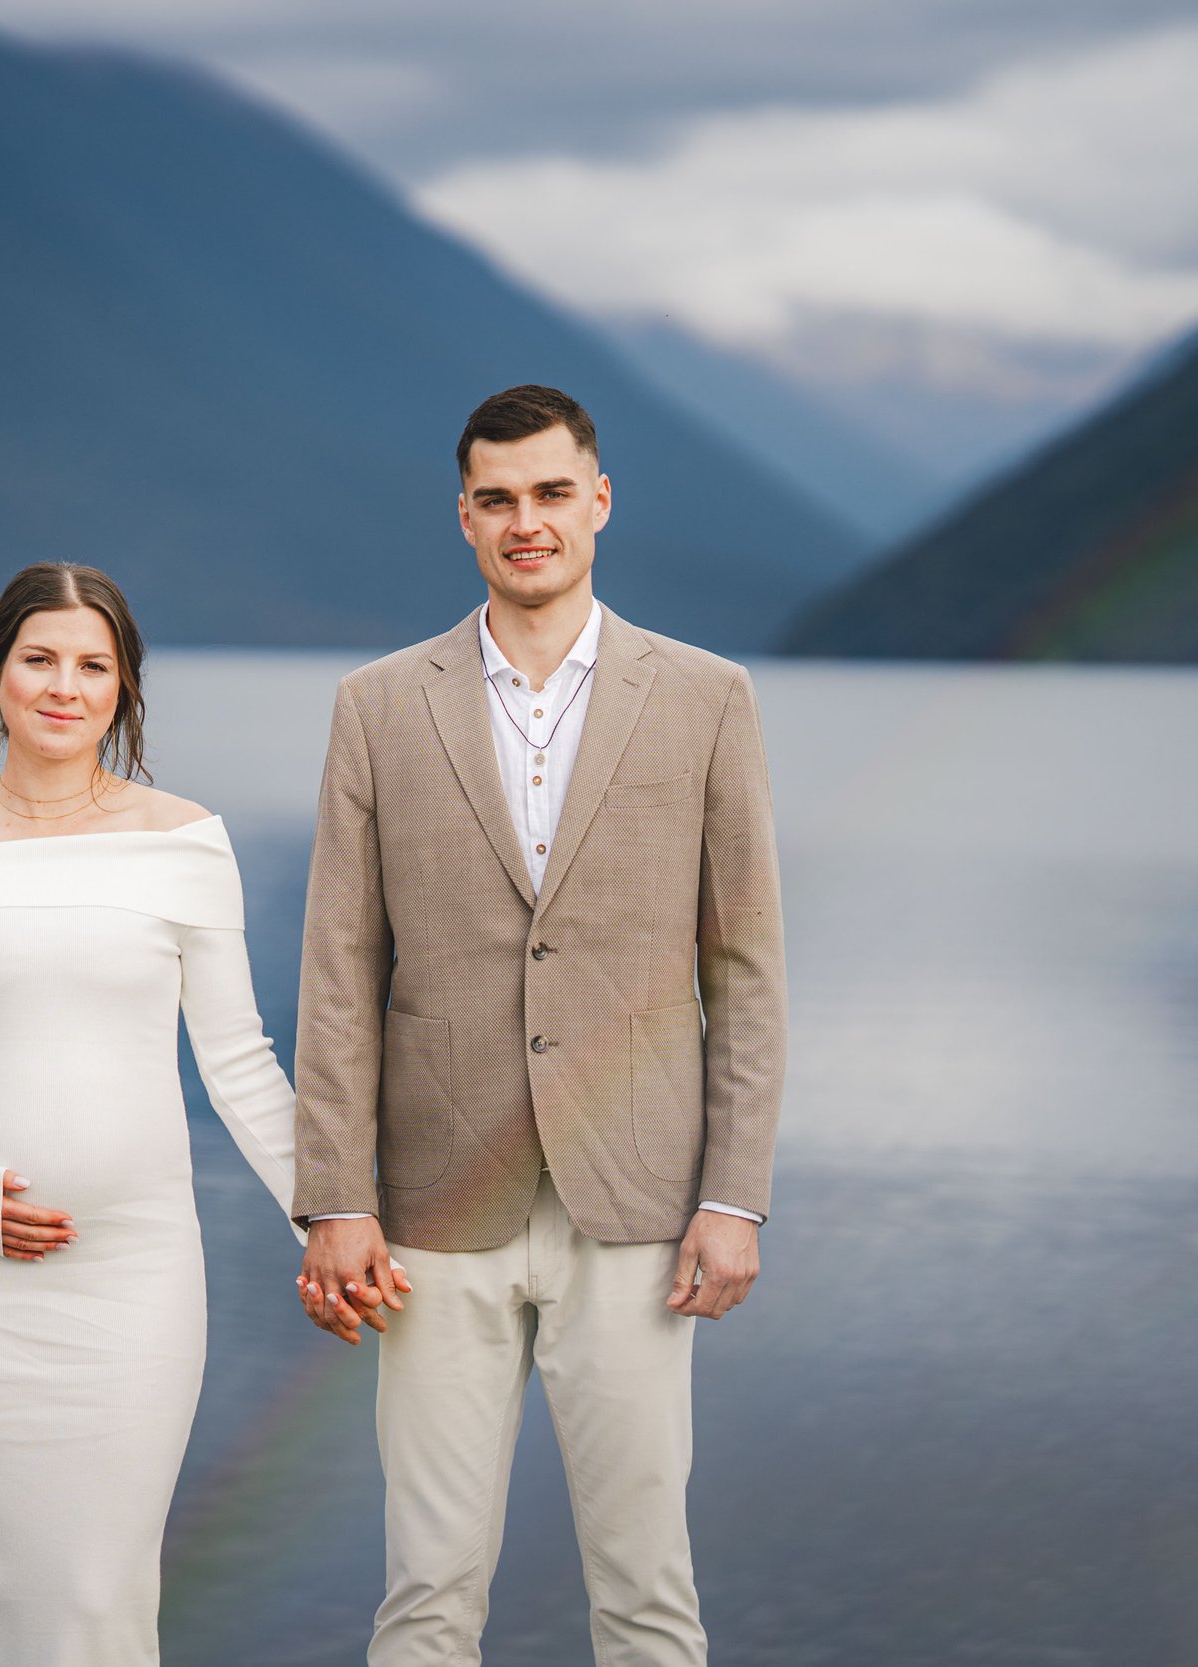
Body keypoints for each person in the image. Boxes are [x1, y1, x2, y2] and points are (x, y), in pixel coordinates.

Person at [290, 384, 789, 1666]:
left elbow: (743, 966)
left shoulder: (705, 696)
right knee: (427, 1589)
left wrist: (734, 1196)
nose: (528, 522)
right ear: (463, 517)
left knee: (645, 1589)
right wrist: (332, 1196)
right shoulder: (377, 705)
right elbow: (341, 970)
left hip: (636, 1205)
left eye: (552, 493)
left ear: (599, 501)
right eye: (498, 499)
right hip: (430, 1212)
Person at [0, 562, 319, 1666]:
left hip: (134, 1278)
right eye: (38, 659)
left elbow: (239, 1062)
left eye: (93, 664)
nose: (64, 685)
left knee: (102, 1592)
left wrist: (324, 1216)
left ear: (124, 686)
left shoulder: (184, 845)